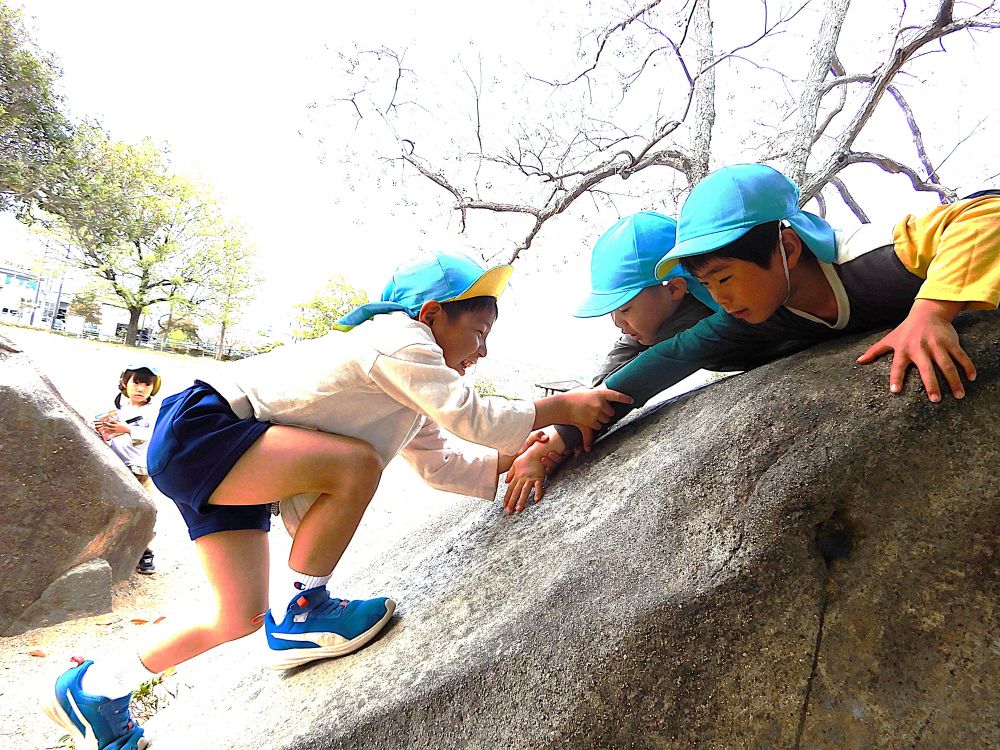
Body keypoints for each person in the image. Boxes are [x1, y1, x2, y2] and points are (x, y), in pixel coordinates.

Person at [44, 249, 631, 750]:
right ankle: (303, 610)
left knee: (238, 615)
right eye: (477, 334)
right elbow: (475, 418)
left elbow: (444, 464)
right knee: (355, 465)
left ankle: (97, 688)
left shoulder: (405, 393)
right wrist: (565, 407)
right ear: (431, 316)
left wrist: (529, 455)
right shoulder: (398, 339)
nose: (481, 353)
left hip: (236, 456)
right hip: (210, 430)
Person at [506, 164, 1000, 511]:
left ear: (786, 246)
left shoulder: (870, 257)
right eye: (708, 285)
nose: (719, 298)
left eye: (724, 279)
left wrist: (931, 312)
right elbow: (661, 362)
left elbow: (984, 212)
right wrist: (564, 433)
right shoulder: (748, 314)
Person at [502, 208, 807, 512]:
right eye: (613, 312)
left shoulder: (723, 311)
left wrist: (560, 436)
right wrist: (564, 429)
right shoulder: (647, 326)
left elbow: (660, 364)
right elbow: (602, 388)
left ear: (675, 288)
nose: (618, 322)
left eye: (625, 308)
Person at [94, 365, 162, 574]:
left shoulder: (155, 411)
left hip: (141, 470)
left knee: (142, 511)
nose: (140, 389)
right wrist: (102, 429)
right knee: (114, 509)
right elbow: (107, 434)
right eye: (136, 383)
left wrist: (128, 429)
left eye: (146, 384)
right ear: (125, 383)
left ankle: (144, 552)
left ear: (153, 388)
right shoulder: (118, 409)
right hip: (117, 465)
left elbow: (157, 435)